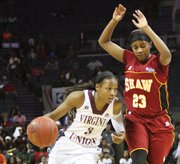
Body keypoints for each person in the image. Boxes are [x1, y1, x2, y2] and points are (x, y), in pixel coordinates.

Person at [98, 4, 174, 164]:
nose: (139, 50)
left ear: (150, 45)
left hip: (159, 121)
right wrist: (114, 21)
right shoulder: (128, 58)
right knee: (138, 160)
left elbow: (166, 53)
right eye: (135, 47)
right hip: (135, 119)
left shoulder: (158, 62)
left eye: (142, 46)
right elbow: (104, 42)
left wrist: (146, 28)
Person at [44, 71, 125, 164]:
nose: (113, 93)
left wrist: (121, 132)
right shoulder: (80, 97)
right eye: (109, 89)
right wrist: (35, 126)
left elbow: (116, 118)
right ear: (97, 87)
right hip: (66, 146)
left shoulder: (115, 104)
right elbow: (53, 115)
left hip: (89, 151)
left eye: (115, 89)